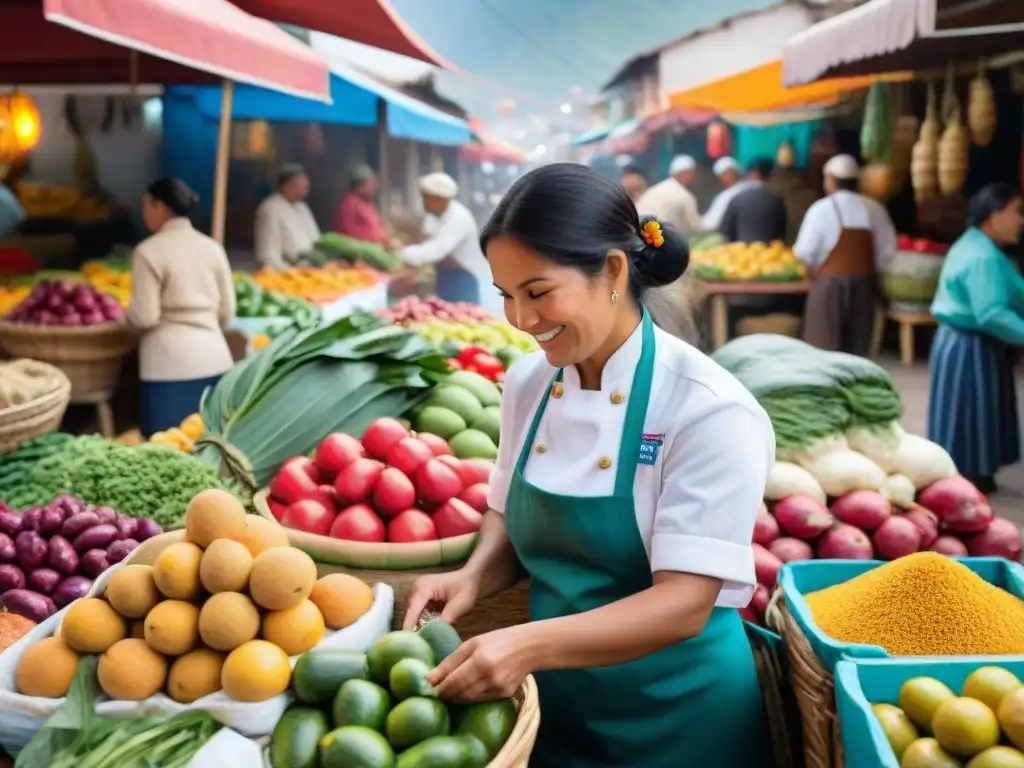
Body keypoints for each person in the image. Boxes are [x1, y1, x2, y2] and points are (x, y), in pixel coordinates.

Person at [403, 162, 774, 767]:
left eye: (539, 292)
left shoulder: (709, 411)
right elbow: (506, 507)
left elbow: (683, 603)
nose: (521, 322)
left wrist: (526, 644)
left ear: (612, 271)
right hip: (558, 714)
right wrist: (472, 576)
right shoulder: (527, 383)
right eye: (506, 297)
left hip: (680, 723)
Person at [928, 183, 1024, 495]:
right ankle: (970, 481)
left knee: (968, 414)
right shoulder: (983, 256)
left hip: (963, 343)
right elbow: (992, 313)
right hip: (970, 347)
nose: (1021, 220)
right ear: (993, 216)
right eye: (1016, 211)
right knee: (971, 415)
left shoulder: (974, 244)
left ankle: (971, 475)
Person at [125, 179, 235, 438]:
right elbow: (227, 312)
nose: (144, 214)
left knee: (169, 451)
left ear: (159, 207)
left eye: (146, 206)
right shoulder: (212, 247)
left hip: (168, 368)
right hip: (215, 360)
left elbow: (145, 316)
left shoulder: (147, 252)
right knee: (212, 447)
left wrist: (123, 322)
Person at [793, 153, 896, 355]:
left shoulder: (821, 209)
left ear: (830, 180)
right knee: (857, 351)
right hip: (865, 287)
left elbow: (805, 252)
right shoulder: (875, 208)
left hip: (829, 288)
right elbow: (887, 251)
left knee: (824, 351)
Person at [401, 172, 490, 305]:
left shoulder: (459, 218)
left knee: (464, 318)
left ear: (440, 199)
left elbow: (437, 250)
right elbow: (425, 240)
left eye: (426, 198)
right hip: (444, 277)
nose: (423, 202)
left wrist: (402, 253)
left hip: (463, 278)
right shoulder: (432, 215)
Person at [253, 163, 320, 270]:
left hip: (313, 272)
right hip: (288, 274)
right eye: (302, 181)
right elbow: (268, 255)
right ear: (288, 184)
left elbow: (316, 242)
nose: (307, 184)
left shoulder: (303, 208)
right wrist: (291, 272)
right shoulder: (271, 208)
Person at [719, 159, 788, 244]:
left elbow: (725, 231)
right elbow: (782, 233)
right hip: (770, 253)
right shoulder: (777, 201)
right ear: (770, 176)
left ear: (753, 174)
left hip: (741, 252)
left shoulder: (737, 198)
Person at [335, 165, 401, 249]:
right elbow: (349, 233)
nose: (373, 188)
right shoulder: (349, 204)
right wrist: (380, 237)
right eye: (369, 184)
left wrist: (387, 238)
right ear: (359, 186)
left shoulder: (366, 203)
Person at [635, 155, 702, 235]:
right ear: (685, 173)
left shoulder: (656, 188)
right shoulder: (684, 196)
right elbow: (696, 226)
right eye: (691, 172)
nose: (693, 176)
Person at [701, 156, 748, 231]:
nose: (720, 179)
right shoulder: (746, 189)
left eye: (722, 175)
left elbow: (711, 224)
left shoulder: (727, 195)